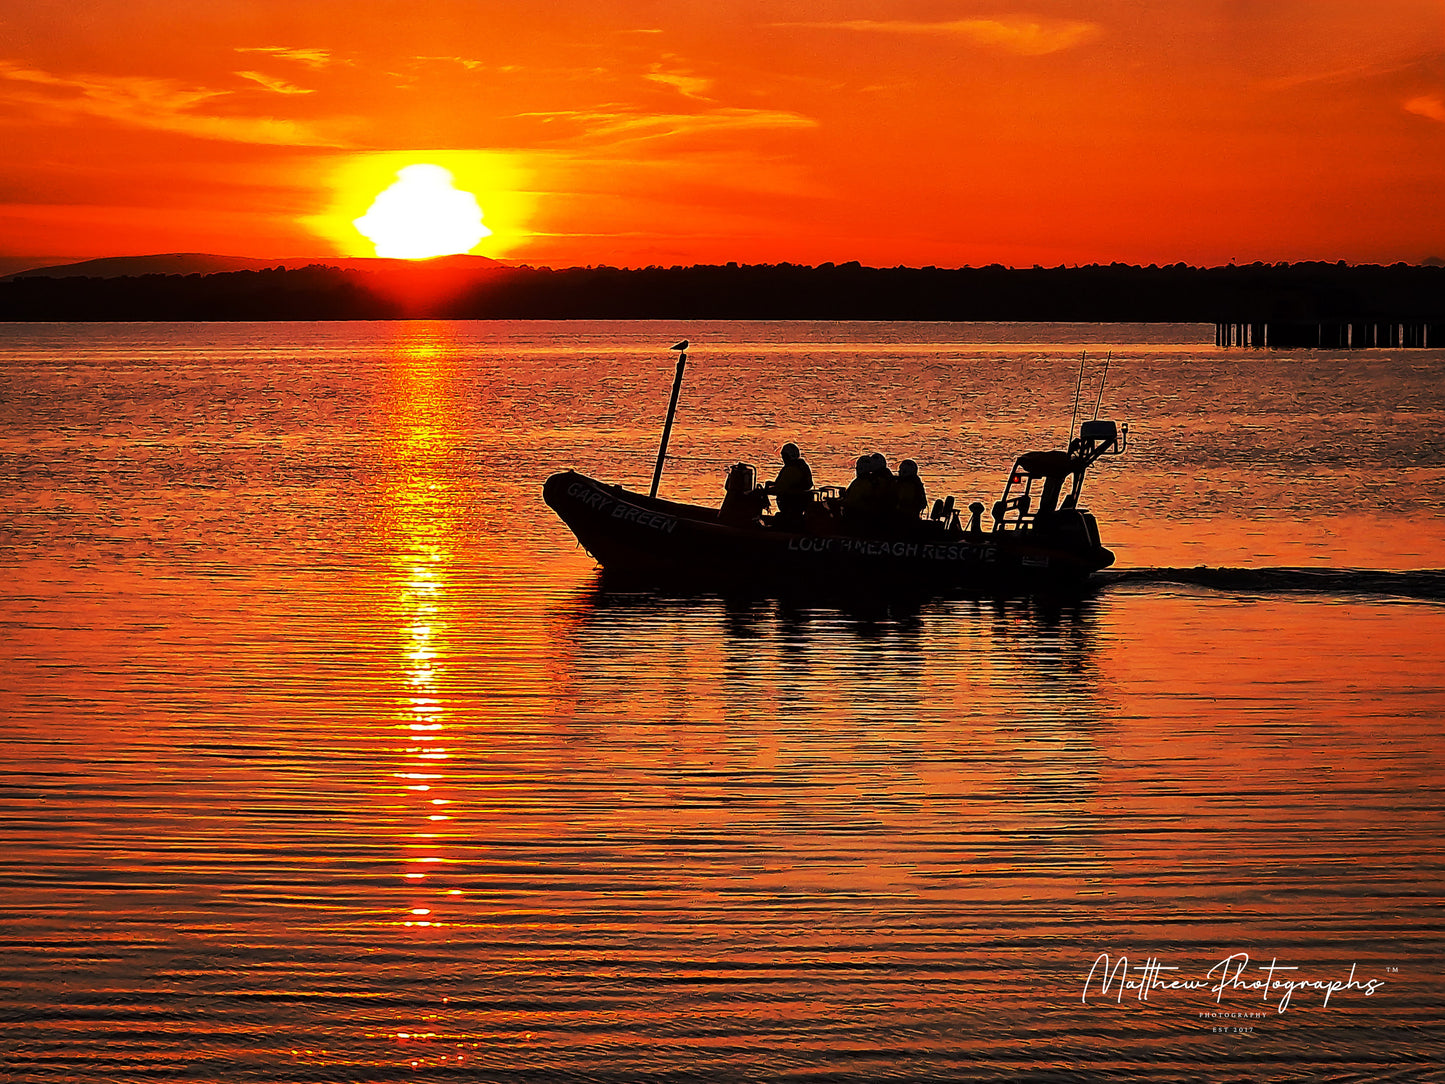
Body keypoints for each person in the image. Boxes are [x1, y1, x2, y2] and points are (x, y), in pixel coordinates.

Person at [766, 442, 813, 525]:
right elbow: (785, 484)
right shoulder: (802, 466)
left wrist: (764, 492)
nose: (783, 459)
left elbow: (779, 489)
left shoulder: (791, 470)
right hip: (799, 504)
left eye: (784, 456)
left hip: (792, 504)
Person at [895, 459, 927, 523]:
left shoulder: (909, 485)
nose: (899, 472)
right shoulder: (916, 483)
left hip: (905, 518)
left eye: (901, 470)